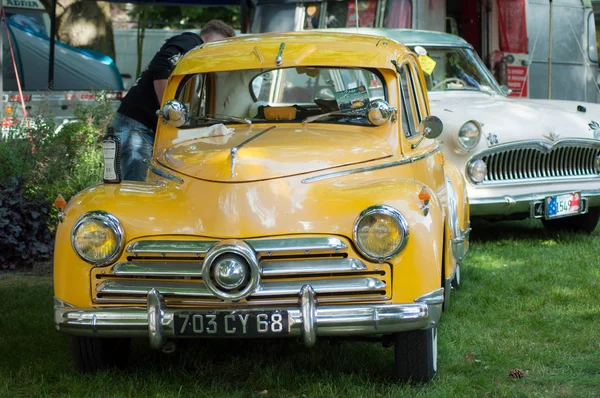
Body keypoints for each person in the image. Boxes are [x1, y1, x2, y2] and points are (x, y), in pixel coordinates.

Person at [111, 20, 236, 181]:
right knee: (136, 187)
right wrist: (167, 107)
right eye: (221, 46)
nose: (220, 52)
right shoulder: (192, 42)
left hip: (138, 124)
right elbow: (161, 65)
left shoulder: (193, 55)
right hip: (136, 124)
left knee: (144, 185)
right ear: (213, 38)